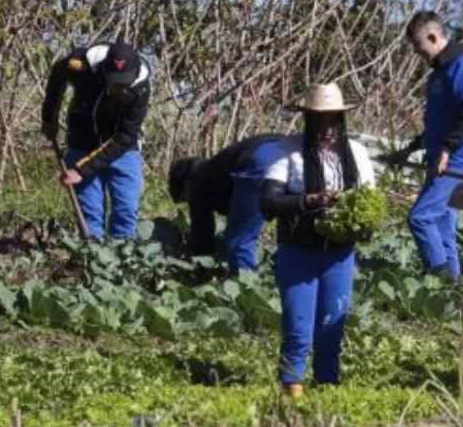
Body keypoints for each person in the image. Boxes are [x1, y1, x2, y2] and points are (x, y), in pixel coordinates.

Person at [260, 83, 377, 398]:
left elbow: (369, 203)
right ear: (308, 120)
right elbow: (269, 203)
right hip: (298, 252)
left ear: (341, 120)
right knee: (298, 330)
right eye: (319, 121)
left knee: (331, 328)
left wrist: (363, 226)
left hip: (339, 255)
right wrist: (312, 200)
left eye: (333, 120)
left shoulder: (358, 154)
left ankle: (327, 391)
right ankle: (292, 393)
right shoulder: (287, 151)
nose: (326, 129)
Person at [403, 10, 463, 281]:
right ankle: (454, 287)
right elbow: (440, 122)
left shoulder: (458, 65)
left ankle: (440, 278)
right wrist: (411, 148)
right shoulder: (437, 74)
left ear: (432, 36)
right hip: (441, 156)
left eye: (418, 46)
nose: (417, 53)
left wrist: (448, 149)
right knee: (442, 225)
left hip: (454, 161)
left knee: (420, 217)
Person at [40, 40, 150, 239]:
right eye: (114, 81)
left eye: (123, 83)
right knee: (90, 213)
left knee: (126, 210)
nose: (118, 88)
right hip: (82, 140)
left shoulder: (140, 89)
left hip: (122, 148)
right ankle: (92, 258)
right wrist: (49, 117)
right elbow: (57, 74)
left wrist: (82, 170)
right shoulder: (79, 65)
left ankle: (122, 259)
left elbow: (125, 136)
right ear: (104, 72)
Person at [168, 133, 286, 272]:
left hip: (259, 160)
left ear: (185, 184)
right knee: (295, 239)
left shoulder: (198, 182)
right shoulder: (216, 167)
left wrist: (196, 262)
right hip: (285, 148)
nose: (188, 201)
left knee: (239, 242)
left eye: (185, 198)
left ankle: (247, 289)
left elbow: (203, 236)